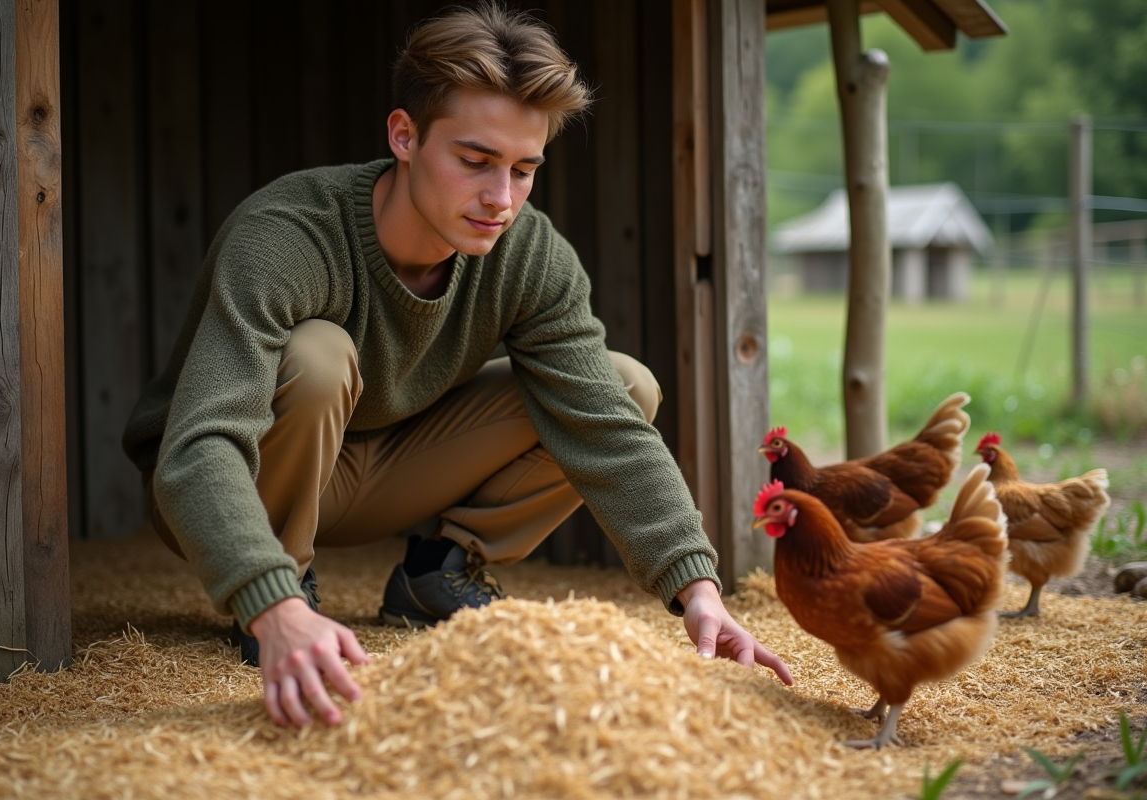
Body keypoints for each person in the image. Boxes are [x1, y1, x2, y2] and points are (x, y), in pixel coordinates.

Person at [122, 2, 792, 729]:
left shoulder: (530, 255)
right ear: (403, 136)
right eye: (474, 162)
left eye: (523, 169)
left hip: (378, 468)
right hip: (242, 481)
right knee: (318, 357)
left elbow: (607, 427)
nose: (500, 199)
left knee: (625, 385)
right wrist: (267, 599)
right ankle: (285, 598)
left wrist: (697, 586)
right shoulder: (286, 235)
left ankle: (437, 575)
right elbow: (197, 452)